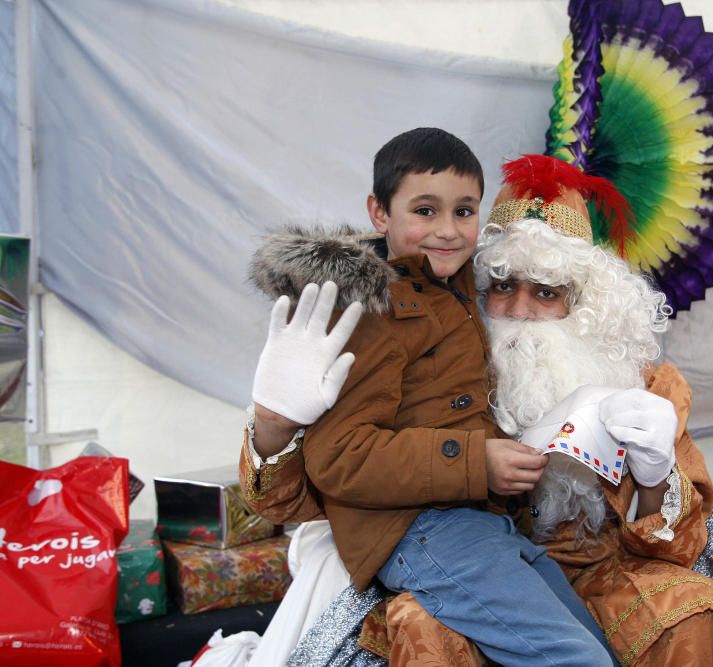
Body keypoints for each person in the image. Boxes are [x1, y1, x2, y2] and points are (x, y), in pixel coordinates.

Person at [240, 130, 615, 667]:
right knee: (572, 658)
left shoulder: (456, 285)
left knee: (591, 644)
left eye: (464, 211)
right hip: (418, 529)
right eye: (424, 210)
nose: (447, 231)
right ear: (379, 213)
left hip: (481, 524)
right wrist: (475, 461)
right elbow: (339, 457)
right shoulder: (366, 313)